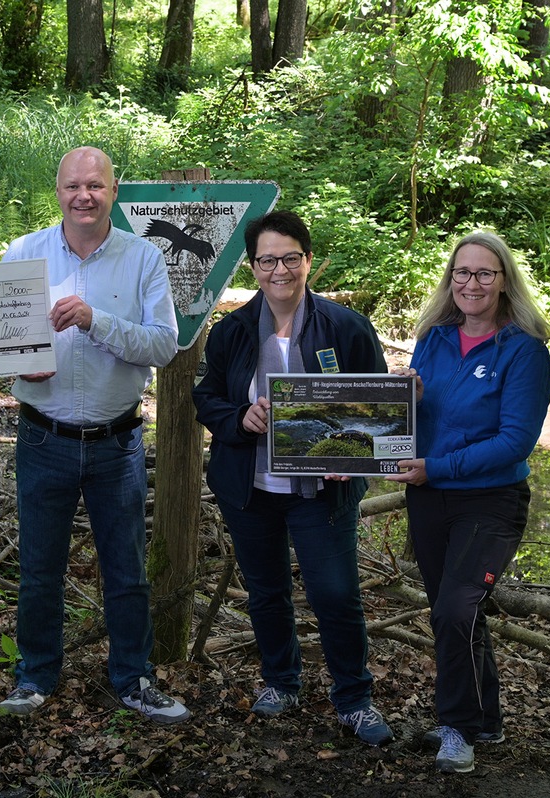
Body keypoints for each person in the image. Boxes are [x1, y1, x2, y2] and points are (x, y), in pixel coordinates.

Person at [0, 146, 189, 724]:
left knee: (125, 568)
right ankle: (35, 676)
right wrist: (15, 362)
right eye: (73, 185)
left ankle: (134, 678)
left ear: (114, 191)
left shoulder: (144, 258)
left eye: (96, 186)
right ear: (57, 191)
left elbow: (163, 345)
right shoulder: (23, 253)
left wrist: (94, 320)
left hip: (117, 442)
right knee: (39, 566)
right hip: (42, 438)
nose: (85, 195)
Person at [191, 209, 394, 746]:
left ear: (307, 261)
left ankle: (354, 698)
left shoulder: (345, 327)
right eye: (266, 260)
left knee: (335, 593)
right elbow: (205, 397)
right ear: (252, 267)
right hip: (250, 487)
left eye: (289, 258)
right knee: (266, 593)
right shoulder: (232, 331)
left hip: (322, 490)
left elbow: (377, 407)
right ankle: (282, 682)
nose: (278, 270)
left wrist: (349, 453)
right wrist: (240, 417)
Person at [387, 231, 550, 773]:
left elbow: (515, 442)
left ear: (504, 281)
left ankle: (456, 727)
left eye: (484, 273)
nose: (471, 283)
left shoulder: (525, 351)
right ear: (450, 279)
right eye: (462, 273)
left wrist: (437, 466)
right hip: (429, 499)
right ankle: (486, 719)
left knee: (456, 609)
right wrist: (404, 402)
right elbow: (421, 416)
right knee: (457, 616)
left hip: (491, 502)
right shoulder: (434, 338)